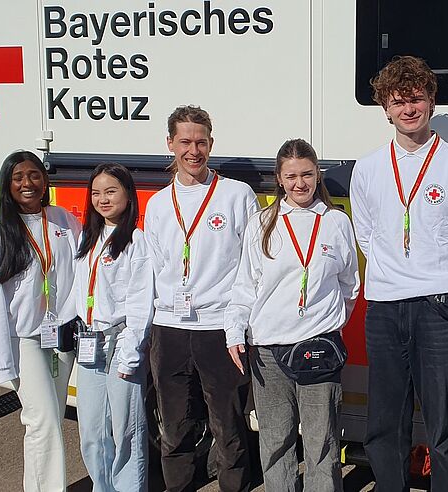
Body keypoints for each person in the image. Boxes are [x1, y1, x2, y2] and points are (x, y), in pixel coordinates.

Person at [349, 55, 448, 490]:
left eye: (416, 98)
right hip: (385, 308)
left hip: (439, 308)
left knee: (442, 422)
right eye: (398, 101)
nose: (408, 109)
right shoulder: (368, 168)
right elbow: (366, 234)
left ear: (431, 101)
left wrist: (445, 278)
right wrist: (397, 272)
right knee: (384, 420)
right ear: (385, 109)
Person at [225, 138, 359, 492]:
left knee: (322, 444)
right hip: (268, 352)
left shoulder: (336, 222)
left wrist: (326, 324)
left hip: (318, 350)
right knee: (275, 444)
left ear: (318, 175)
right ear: (279, 179)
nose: (300, 184)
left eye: (307, 174)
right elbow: (245, 286)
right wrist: (235, 333)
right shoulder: (262, 223)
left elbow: (350, 286)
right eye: (292, 176)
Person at [143, 105, 258, 492]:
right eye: (185, 142)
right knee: (174, 426)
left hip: (219, 328)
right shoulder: (158, 204)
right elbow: (154, 269)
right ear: (170, 144)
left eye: (201, 142)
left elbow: (250, 266)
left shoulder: (236, 195)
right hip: (169, 329)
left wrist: (239, 325)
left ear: (211, 143)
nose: (194, 151)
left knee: (228, 426)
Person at [0, 150, 81, 492]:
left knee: (46, 423)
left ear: (45, 181)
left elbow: (82, 272)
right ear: (7, 185)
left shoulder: (63, 220)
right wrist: (2, 361)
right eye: (18, 177)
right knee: (44, 421)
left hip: (60, 337)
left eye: (34, 175)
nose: (27, 183)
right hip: (25, 341)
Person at [72, 163, 154, 492]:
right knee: (91, 431)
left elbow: (140, 300)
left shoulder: (135, 241)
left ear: (128, 195)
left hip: (120, 344)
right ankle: (102, 486)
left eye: (110, 191)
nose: (102, 200)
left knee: (126, 431)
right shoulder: (87, 237)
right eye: (96, 193)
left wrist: (132, 351)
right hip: (89, 342)